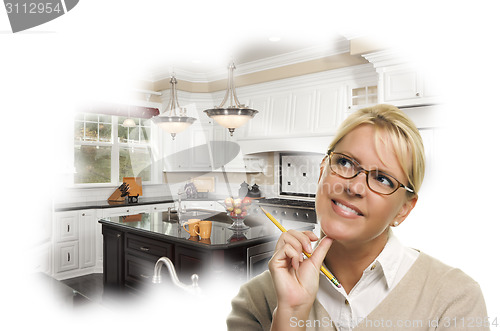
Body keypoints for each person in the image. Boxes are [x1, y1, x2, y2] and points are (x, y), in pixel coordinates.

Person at [227, 104, 489, 330]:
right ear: (322, 173)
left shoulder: (455, 299)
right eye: (345, 163)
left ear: (404, 210)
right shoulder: (254, 301)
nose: (354, 187)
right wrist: (291, 315)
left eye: (382, 179)